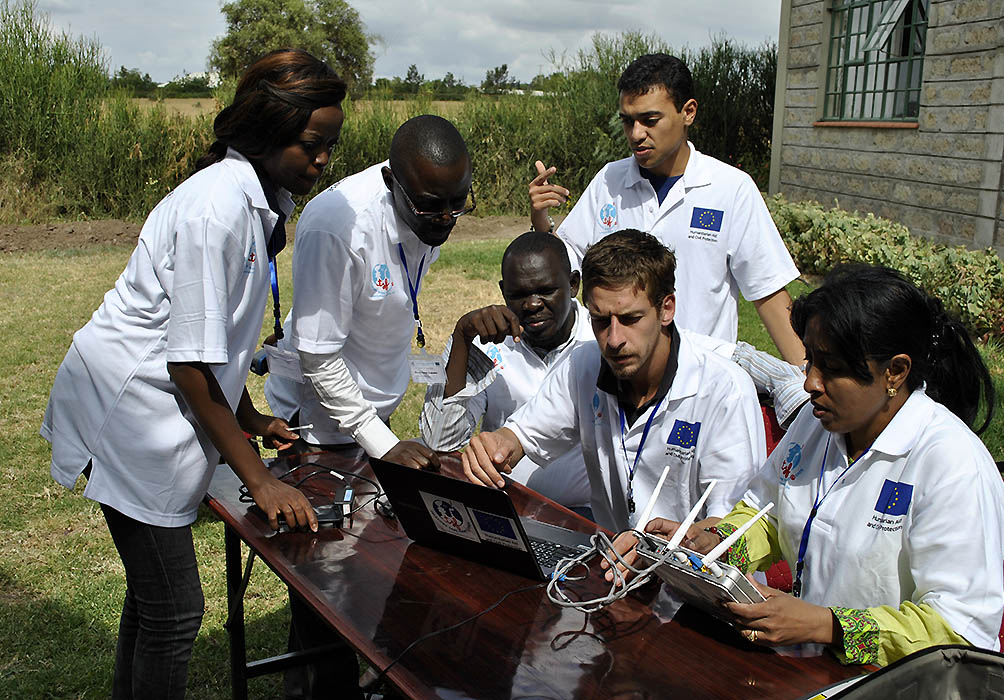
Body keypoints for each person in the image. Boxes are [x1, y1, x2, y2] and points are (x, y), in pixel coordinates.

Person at [39, 49, 346, 699]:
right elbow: (188, 362)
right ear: (267, 131)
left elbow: (214, 343)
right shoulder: (217, 211)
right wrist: (258, 480)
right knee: (176, 611)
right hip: (130, 411)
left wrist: (250, 416)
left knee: (153, 602)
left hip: (156, 404)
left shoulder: (254, 198)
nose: (322, 159)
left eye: (330, 146)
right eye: (311, 144)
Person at [647, 264, 1004, 667]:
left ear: (895, 372)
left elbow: (960, 632)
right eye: (810, 361)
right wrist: (717, 542)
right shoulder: (817, 423)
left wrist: (829, 626)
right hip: (806, 667)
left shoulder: (953, 466)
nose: (810, 383)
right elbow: (768, 513)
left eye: (833, 369)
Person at [461, 230, 765, 556]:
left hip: (697, 577)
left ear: (667, 309)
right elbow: (521, 435)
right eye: (600, 320)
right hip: (614, 567)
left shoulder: (724, 391)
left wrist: (686, 544)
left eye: (630, 319)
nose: (614, 339)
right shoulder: (584, 366)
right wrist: (494, 446)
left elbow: (734, 525)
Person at [529, 53, 805, 365]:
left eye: (650, 120)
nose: (636, 134)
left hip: (701, 376)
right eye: (627, 121)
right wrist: (541, 219)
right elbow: (565, 266)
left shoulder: (730, 189)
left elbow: (767, 291)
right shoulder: (609, 181)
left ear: (688, 112)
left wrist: (806, 380)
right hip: (619, 372)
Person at [264, 114, 472, 470]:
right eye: (431, 206)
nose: (446, 218)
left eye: (458, 203)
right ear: (391, 182)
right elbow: (318, 357)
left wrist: (380, 433)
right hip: (319, 423)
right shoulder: (337, 229)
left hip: (373, 413)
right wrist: (381, 442)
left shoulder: (427, 195)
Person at [420, 231, 593, 514]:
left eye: (545, 291)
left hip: (581, 512)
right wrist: (462, 340)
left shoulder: (599, 342)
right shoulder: (485, 343)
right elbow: (440, 441)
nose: (532, 304)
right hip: (502, 503)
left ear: (573, 284)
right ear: (503, 292)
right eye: (519, 295)